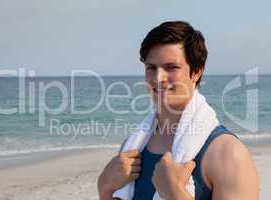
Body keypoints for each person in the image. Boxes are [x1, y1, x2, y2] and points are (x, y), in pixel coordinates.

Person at [98, 21, 259, 200]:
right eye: (151, 67)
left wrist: (174, 193)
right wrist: (104, 189)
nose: (158, 78)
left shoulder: (228, 153)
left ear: (196, 72)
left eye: (171, 67)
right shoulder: (133, 147)